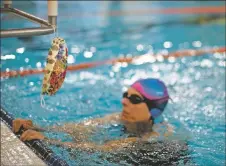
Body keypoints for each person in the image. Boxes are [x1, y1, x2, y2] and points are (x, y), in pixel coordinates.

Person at [13, 78, 174, 152]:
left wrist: (47, 140)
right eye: (125, 95)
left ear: (153, 110)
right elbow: (81, 128)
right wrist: (39, 127)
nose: (124, 101)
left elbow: (100, 149)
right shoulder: (121, 117)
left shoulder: (156, 137)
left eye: (134, 99)